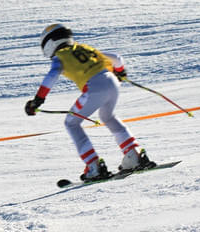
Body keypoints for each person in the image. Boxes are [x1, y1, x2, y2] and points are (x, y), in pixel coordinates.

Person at [25, 24, 155, 181]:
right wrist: (120, 72)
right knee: (108, 117)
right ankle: (134, 154)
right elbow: (117, 58)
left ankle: (93, 165)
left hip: (94, 87)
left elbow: (52, 76)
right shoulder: (84, 48)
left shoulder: (61, 56)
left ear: (50, 42)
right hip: (112, 82)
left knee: (71, 123)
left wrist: (38, 100)